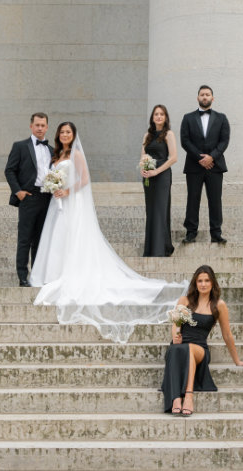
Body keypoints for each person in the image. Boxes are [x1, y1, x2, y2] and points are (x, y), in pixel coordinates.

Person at [30, 122, 185, 343]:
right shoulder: (56, 155)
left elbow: (83, 180)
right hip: (57, 205)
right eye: (62, 132)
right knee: (57, 238)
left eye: (68, 132)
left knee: (71, 237)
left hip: (71, 202)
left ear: (73, 135)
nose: (65, 135)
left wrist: (66, 190)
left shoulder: (77, 155)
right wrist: (54, 187)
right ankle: (52, 273)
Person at [160, 265, 243, 415]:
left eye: (207, 281)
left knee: (189, 348)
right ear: (195, 283)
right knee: (177, 349)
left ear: (212, 283)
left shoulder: (219, 305)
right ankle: (176, 399)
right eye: (200, 281)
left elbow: (227, 335)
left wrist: (237, 361)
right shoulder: (184, 300)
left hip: (199, 349)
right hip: (179, 346)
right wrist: (175, 335)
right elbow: (175, 323)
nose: (203, 284)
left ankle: (189, 396)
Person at [4, 112, 53, 286]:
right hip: (28, 197)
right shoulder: (20, 146)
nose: (40, 128)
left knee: (40, 239)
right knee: (25, 238)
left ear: (47, 127)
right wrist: (18, 192)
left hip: (47, 198)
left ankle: (38, 274)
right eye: (37, 125)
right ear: (31, 126)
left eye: (43, 125)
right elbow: (9, 170)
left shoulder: (52, 150)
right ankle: (22, 276)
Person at [179, 85, 229, 244]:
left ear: (212, 98)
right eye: (202, 95)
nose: (205, 97)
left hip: (215, 166)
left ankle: (216, 234)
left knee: (215, 200)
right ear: (198, 98)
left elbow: (224, 141)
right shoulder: (188, 118)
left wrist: (212, 157)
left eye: (207, 95)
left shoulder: (222, 118)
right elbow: (184, 140)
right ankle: (191, 233)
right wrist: (201, 158)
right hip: (194, 166)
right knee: (193, 199)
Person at [141, 104, 177, 257]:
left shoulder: (169, 134)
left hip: (162, 175)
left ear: (165, 117)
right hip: (148, 176)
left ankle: (161, 248)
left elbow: (174, 158)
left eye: (162, 114)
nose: (159, 116)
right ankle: (150, 248)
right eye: (156, 114)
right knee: (151, 211)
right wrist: (143, 168)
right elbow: (143, 155)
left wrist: (156, 171)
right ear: (152, 117)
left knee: (160, 210)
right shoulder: (147, 135)